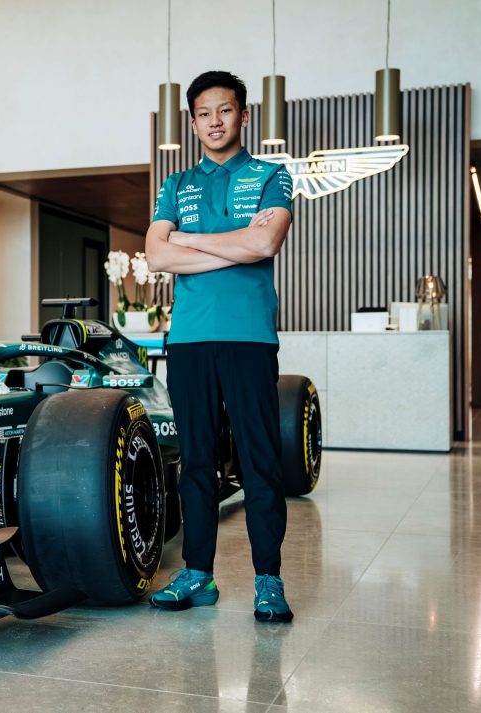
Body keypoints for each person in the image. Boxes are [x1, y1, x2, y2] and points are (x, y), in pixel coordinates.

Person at [144, 70, 295, 622]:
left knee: (260, 461)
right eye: (204, 113)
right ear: (192, 122)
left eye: (225, 110)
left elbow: (265, 242)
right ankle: (197, 574)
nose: (214, 121)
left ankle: (268, 579)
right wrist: (235, 245)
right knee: (196, 462)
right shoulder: (175, 183)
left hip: (249, 336)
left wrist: (187, 240)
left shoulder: (271, 175)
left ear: (243, 116)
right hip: (189, 339)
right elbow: (156, 256)